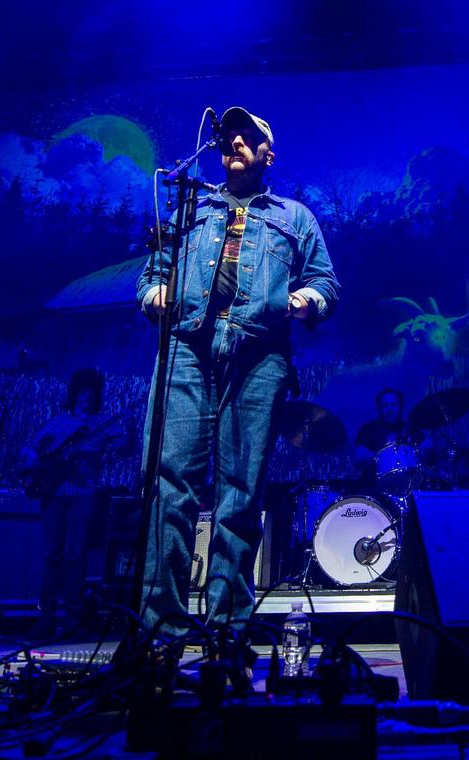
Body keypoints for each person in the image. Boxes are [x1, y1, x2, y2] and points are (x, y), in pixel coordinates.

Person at [136, 106, 339, 638]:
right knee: (169, 483)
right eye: (229, 137)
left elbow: (326, 283)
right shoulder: (189, 206)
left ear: (268, 153)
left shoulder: (295, 216)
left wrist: (305, 299)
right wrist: (152, 293)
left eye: (249, 137)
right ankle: (161, 630)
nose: (236, 143)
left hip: (258, 352)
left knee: (240, 491)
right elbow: (152, 272)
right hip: (185, 345)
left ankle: (227, 630)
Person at [20, 368, 119, 639]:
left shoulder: (102, 424)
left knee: (75, 556)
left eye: (91, 392)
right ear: (74, 393)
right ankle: (46, 617)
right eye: (81, 391)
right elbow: (28, 450)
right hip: (54, 493)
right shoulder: (59, 423)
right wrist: (35, 464)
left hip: (84, 493)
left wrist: (127, 433)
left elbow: (123, 448)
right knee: (52, 555)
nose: (85, 397)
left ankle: (72, 619)